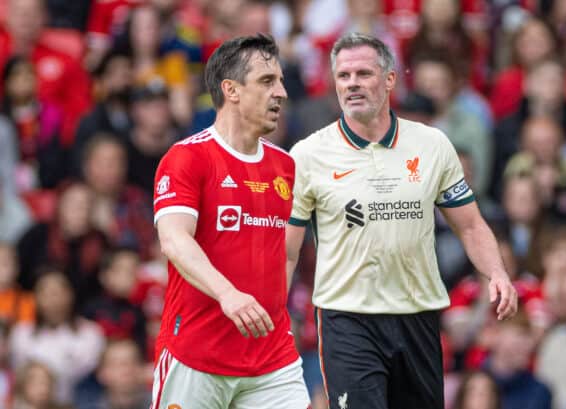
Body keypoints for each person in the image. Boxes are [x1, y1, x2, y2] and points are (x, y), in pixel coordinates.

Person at [285, 32, 518, 409]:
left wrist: (497, 273)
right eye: (344, 76)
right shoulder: (308, 155)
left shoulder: (433, 144)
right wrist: (278, 312)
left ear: (390, 79)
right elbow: (287, 251)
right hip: (348, 318)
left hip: (418, 314)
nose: (353, 84)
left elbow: (471, 225)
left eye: (364, 73)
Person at [151, 34, 309, 409]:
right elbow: (174, 241)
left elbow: (287, 254)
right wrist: (229, 295)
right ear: (231, 90)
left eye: (282, 82)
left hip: (272, 361)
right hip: (196, 356)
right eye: (268, 81)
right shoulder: (187, 158)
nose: (282, 93)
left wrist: (269, 312)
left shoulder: (285, 166)